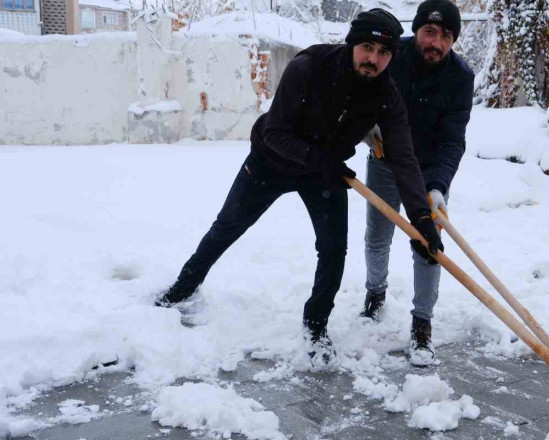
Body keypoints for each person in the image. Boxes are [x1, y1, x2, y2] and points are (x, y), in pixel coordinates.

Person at [154, 8, 443, 365]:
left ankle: (316, 325)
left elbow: (403, 158)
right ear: (352, 43)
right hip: (272, 160)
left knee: (334, 250)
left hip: (324, 172)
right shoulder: (309, 67)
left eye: (384, 53)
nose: (374, 59)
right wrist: (322, 160)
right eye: (367, 47)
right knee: (228, 226)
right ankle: (182, 288)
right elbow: (275, 132)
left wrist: (421, 221)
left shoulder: (386, 93)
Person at [360, 0, 474, 366]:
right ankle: (375, 294)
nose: (436, 42)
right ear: (417, 30)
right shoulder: (395, 56)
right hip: (385, 160)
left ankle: (422, 324)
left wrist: (439, 187)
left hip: (427, 172)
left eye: (445, 36)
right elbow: (361, 93)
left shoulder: (460, 77)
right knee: (378, 235)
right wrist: (366, 128)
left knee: (428, 246)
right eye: (430, 32)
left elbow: (453, 140)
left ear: (453, 40)